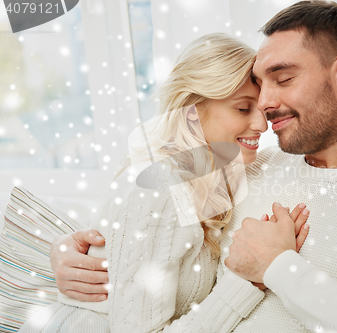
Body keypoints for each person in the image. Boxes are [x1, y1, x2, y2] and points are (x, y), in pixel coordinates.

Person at [51, 1, 337, 332]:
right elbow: (144, 208)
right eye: (258, 87)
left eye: (283, 79)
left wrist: (279, 267)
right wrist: (79, 251)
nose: (266, 106)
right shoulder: (245, 166)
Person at [18, 33, 310, 333]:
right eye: (243, 108)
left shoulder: (210, 177)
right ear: (193, 111)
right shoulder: (159, 189)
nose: (262, 125)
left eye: (262, 110)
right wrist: (249, 281)